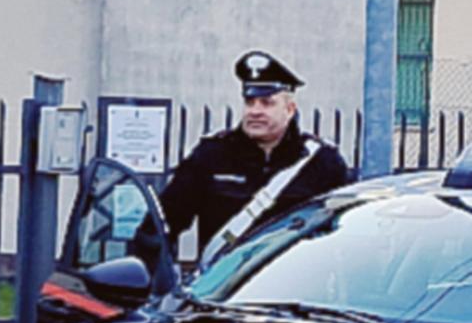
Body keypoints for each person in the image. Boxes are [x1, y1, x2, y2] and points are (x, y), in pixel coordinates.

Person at [135, 50, 352, 269]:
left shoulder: (321, 162)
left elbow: (343, 234)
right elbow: (160, 228)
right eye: (250, 102)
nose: (255, 111)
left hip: (292, 287)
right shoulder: (212, 155)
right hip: (225, 291)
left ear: (289, 109)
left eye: (267, 103)